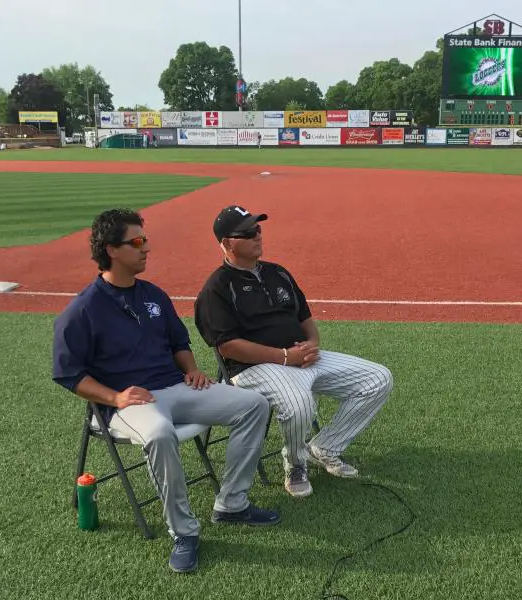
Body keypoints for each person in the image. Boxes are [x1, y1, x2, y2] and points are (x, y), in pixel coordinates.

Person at [52, 208, 280, 574]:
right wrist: (114, 398)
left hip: (176, 387)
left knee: (253, 404)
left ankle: (232, 503)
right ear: (111, 250)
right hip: (131, 403)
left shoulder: (153, 294)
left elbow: (179, 340)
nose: (147, 249)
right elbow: (67, 374)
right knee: (159, 434)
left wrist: (190, 369)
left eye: (146, 240)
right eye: (137, 242)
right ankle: (185, 533)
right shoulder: (83, 309)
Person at [194, 205, 393, 499]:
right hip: (254, 368)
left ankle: (325, 447)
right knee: (299, 403)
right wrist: (286, 357)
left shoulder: (277, 273)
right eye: (247, 232)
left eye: (258, 228)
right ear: (226, 243)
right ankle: (295, 463)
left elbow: (305, 319)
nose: (257, 235)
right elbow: (227, 346)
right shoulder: (217, 288)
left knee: (378, 379)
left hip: (301, 358)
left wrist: (312, 345)